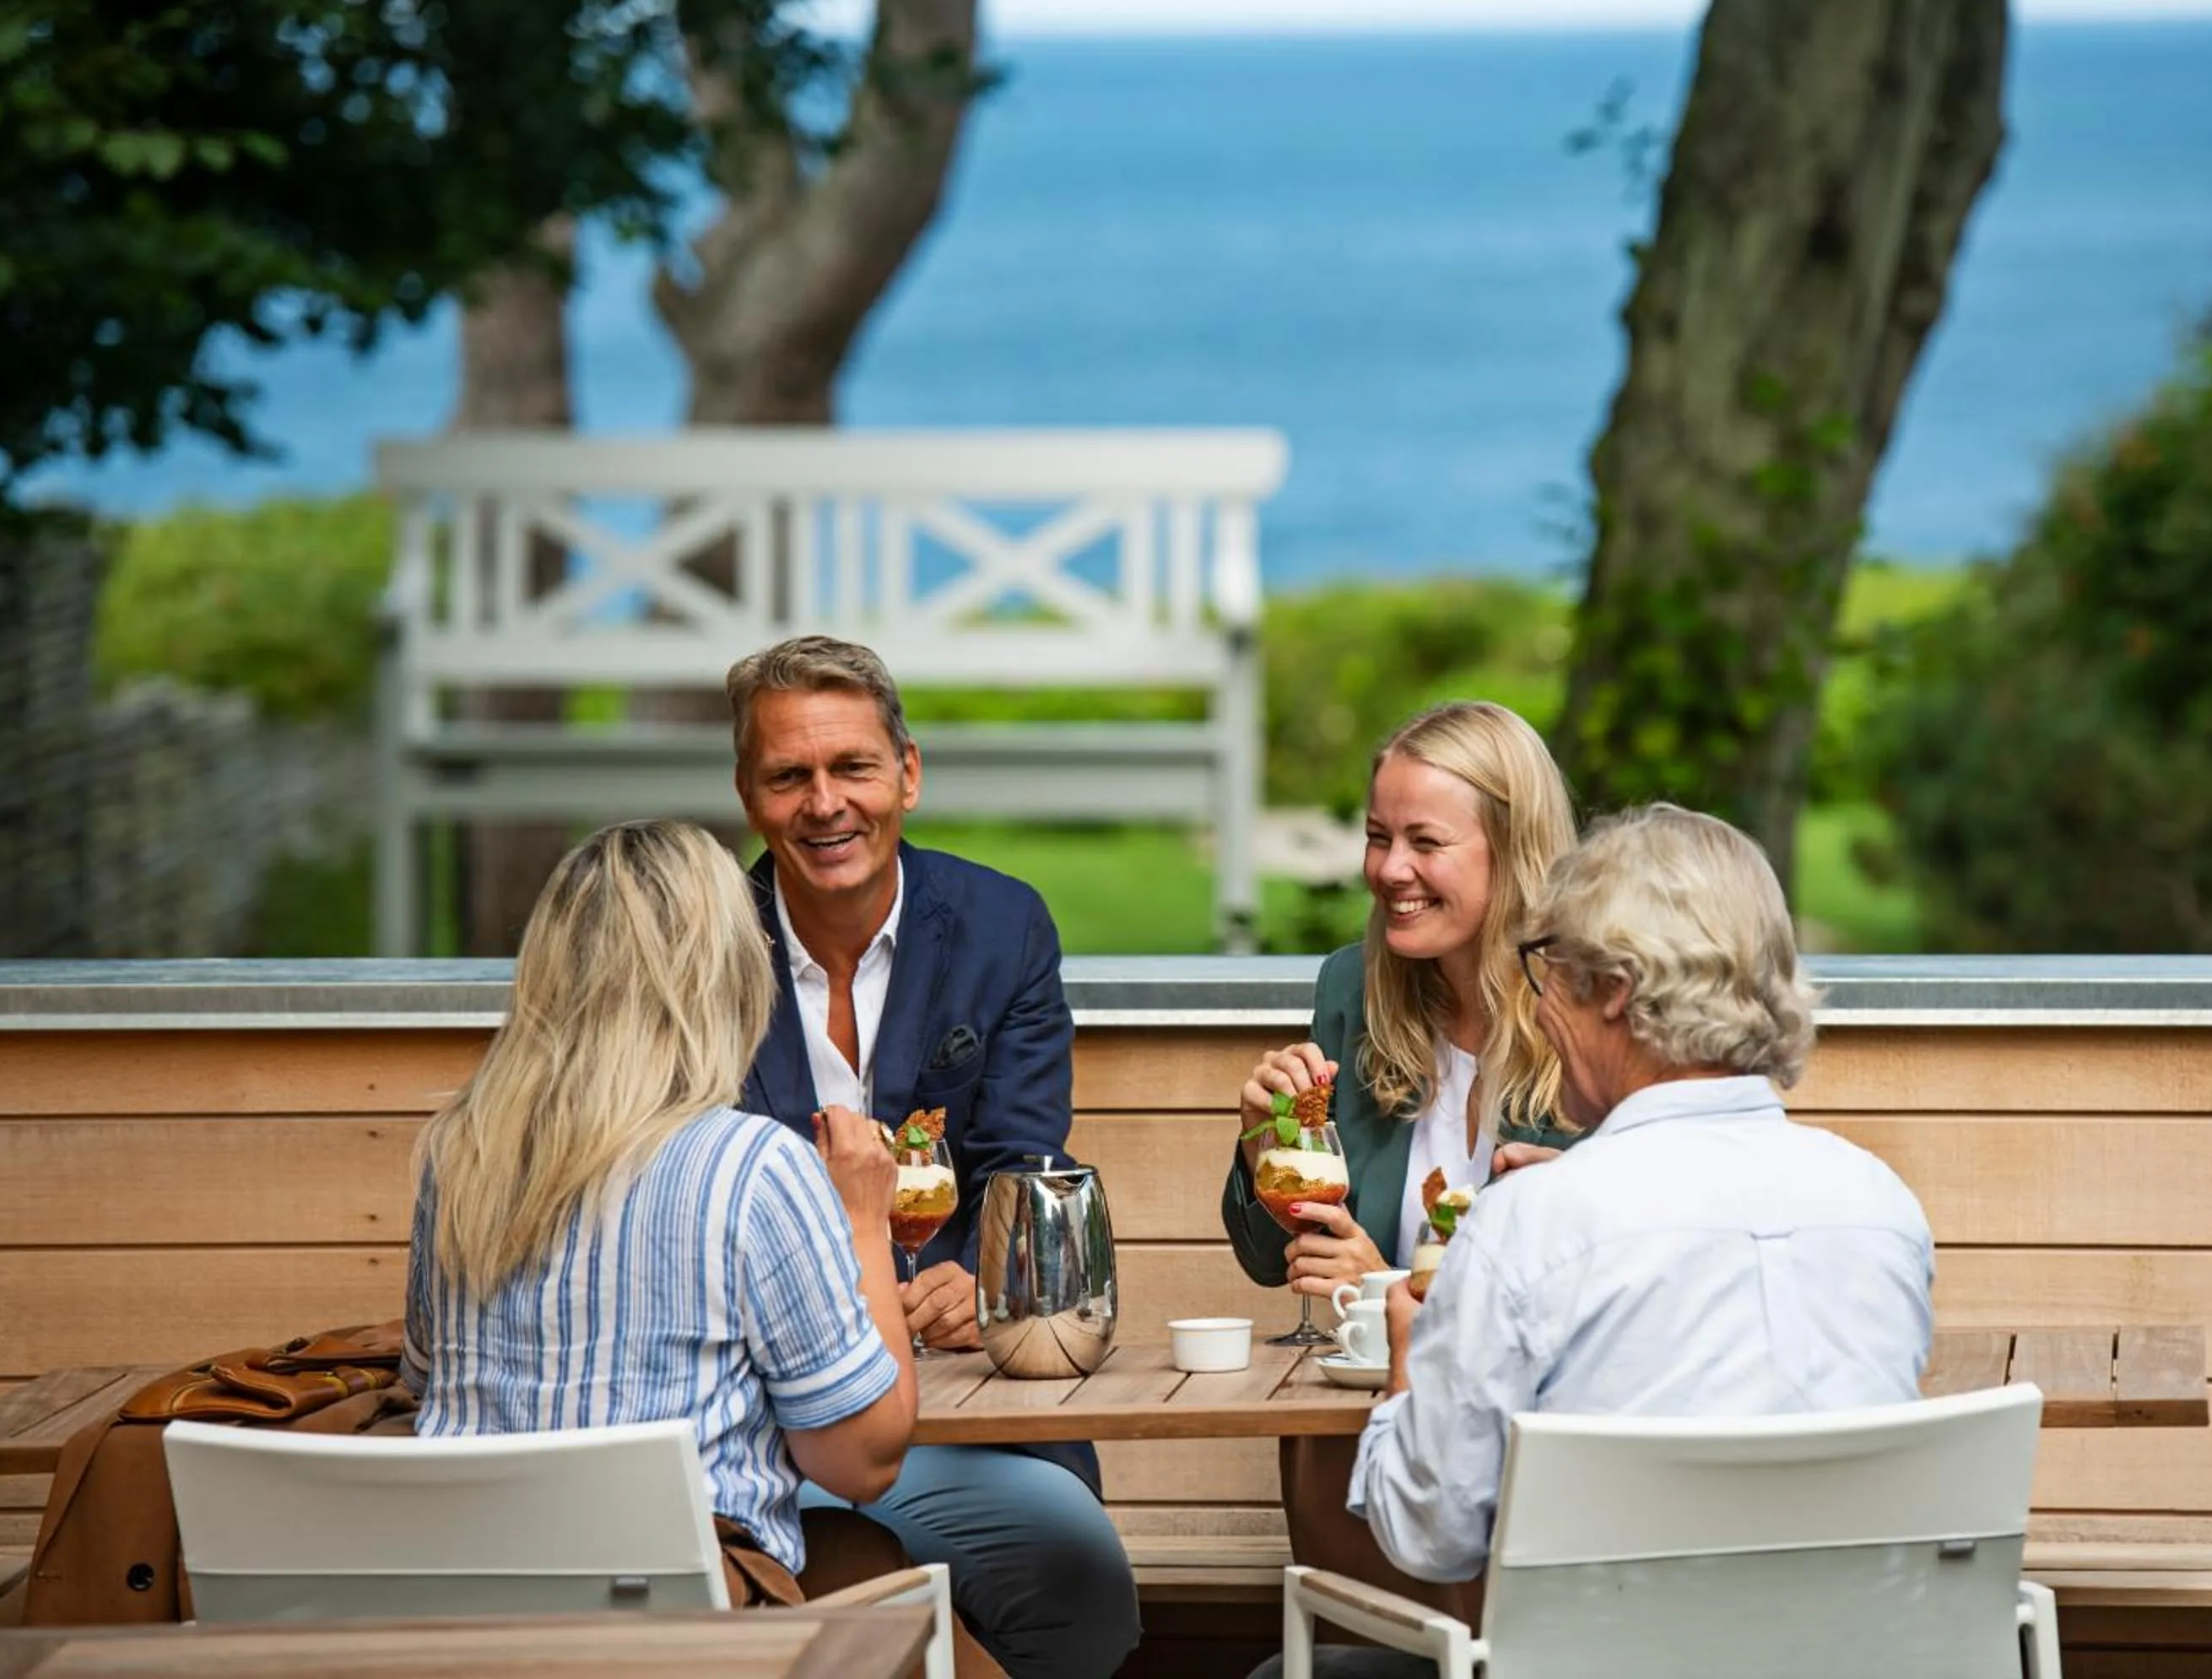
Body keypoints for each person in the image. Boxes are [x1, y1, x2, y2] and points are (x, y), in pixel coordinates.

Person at [1257, 804, 1935, 1679]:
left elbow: (1429, 1535)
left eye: (1550, 971)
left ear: (1613, 989)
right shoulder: (1880, 1206)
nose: (1537, 1009)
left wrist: (1408, 1366)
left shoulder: (1529, 1225)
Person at [726, 634, 1139, 1679]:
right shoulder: (703, 945)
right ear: (748, 793)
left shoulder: (1002, 924)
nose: (826, 803)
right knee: (849, 1582)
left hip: (970, 1402)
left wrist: (988, 1279)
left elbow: (1022, 1163)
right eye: (790, 775)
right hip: (761, 1417)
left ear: (907, 772)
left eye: (852, 767)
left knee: (1080, 1583)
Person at [403, 820, 919, 1596]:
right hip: (671, 1618)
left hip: (468, 1605)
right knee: (887, 1567)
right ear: (726, 972)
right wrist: (862, 1223)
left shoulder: (460, 1155)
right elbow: (861, 1460)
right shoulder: (752, 1167)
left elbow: (422, 1374)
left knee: (864, 1557)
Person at [1217, 701, 1579, 1612]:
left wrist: (1384, 1284)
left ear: (1514, 848)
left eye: (1425, 840)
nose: (1390, 870)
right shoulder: (1353, 986)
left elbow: (1585, 1290)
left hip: (1550, 1458)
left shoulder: (1590, 1014)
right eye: (1378, 837)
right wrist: (1272, 1147)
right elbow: (1275, 1261)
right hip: (1364, 1432)